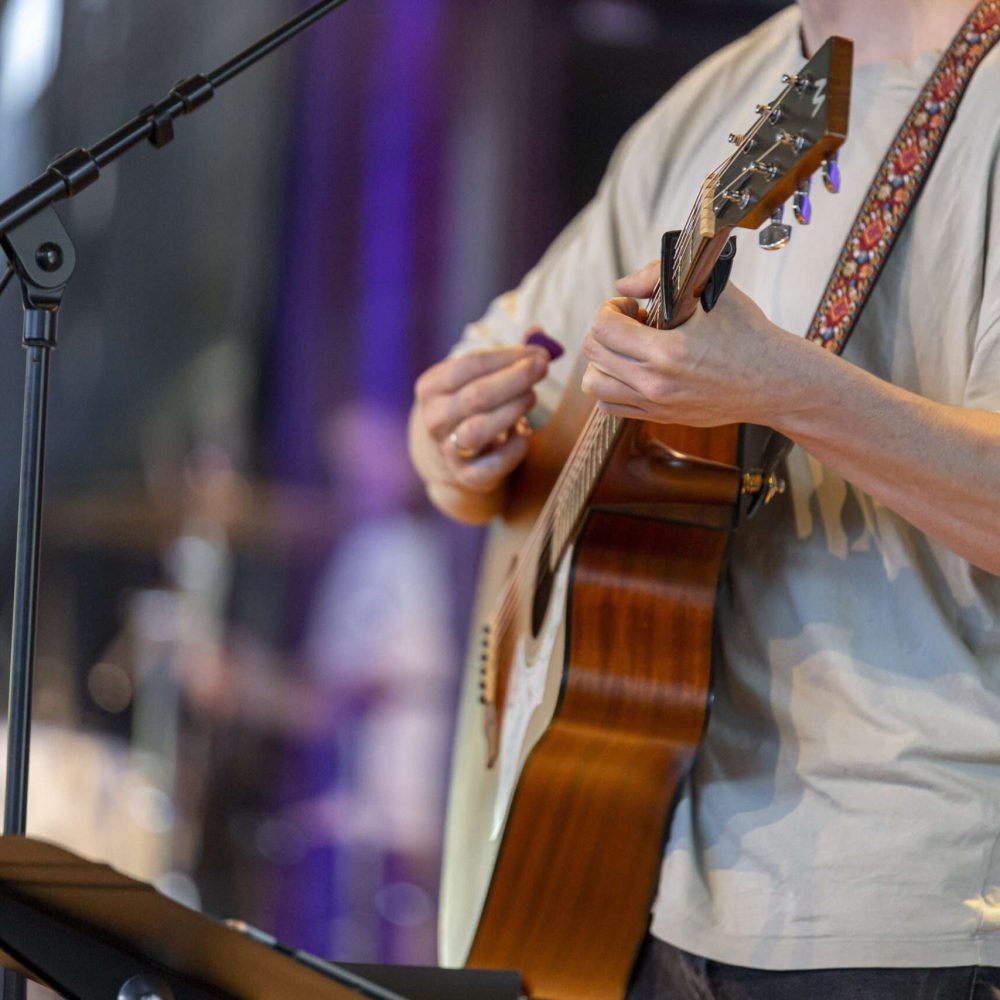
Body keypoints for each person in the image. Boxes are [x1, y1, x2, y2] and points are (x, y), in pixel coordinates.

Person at [409, 0, 1000, 997]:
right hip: (642, 883)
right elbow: (515, 373)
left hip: (903, 910)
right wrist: (451, 451)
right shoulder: (723, 94)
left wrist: (782, 387)